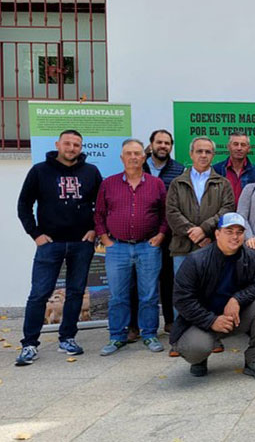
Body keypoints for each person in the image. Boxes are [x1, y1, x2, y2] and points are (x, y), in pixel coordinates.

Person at [15, 130, 102, 365]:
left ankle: (67, 338)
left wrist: (94, 230)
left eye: (76, 144)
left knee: (75, 292)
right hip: (50, 244)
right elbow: (24, 203)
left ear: (81, 147)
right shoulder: (40, 171)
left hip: (81, 244)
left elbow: (102, 205)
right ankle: (30, 344)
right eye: (67, 143)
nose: (72, 148)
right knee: (39, 294)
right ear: (58, 144)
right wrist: (35, 234)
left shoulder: (91, 172)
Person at [171, 212, 255, 380]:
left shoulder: (252, 256)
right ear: (217, 234)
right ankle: (200, 360)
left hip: (236, 317)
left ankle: (254, 359)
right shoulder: (196, 260)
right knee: (195, 349)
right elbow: (182, 299)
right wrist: (211, 320)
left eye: (239, 232)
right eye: (229, 231)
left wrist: (237, 299)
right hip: (202, 321)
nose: (235, 236)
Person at [94, 138, 168, 356]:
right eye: (129, 153)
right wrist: (105, 240)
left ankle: (150, 334)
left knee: (149, 294)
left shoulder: (156, 184)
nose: (134, 157)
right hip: (118, 248)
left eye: (137, 153)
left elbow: (165, 214)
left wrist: (161, 235)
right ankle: (117, 336)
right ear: (122, 157)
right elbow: (98, 214)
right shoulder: (109, 183)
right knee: (118, 295)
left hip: (148, 246)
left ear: (144, 157)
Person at [166, 137, 236, 271]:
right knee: (185, 290)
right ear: (191, 154)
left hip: (212, 246)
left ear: (213, 155)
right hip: (182, 249)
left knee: (212, 290)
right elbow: (172, 212)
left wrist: (204, 229)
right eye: (199, 151)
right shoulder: (177, 183)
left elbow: (227, 210)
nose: (203, 155)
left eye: (208, 152)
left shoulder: (223, 183)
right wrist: (195, 235)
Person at [144, 129, 185, 333]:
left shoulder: (178, 169)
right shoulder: (138, 166)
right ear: (151, 144)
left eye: (167, 143)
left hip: (169, 234)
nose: (163, 146)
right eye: (159, 142)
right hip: (142, 233)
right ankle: (136, 325)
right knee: (141, 282)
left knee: (168, 279)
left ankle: (170, 320)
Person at [212, 131, 255, 206]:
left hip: (248, 216)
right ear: (228, 147)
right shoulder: (216, 170)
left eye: (243, 145)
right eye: (235, 144)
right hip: (223, 215)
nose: (239, 148)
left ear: (248, 148)